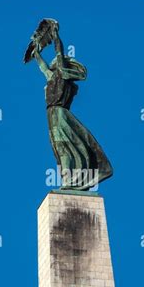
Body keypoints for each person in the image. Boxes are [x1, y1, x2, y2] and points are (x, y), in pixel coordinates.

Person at [30, 20, 113, 191]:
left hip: (60, 113)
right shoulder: (53, 77)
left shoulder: (62, 74)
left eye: (56, 61)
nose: (53, 62)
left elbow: (59, 51)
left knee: (64, 147)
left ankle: (69, 181)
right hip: (51, 114)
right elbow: (43, 68)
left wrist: (55, 36)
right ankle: (68, 180)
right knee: (59, 149)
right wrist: (36, 54)